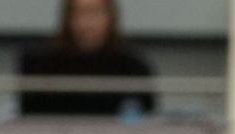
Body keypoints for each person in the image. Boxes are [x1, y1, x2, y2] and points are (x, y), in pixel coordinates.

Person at [18, 0, 153, 118]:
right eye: (78, 13)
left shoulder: (133, 67)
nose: (87, 23)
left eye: (95, 12)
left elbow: (146, 122)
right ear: (66, 18)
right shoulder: (40, 65)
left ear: (111, 16)